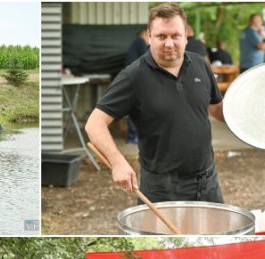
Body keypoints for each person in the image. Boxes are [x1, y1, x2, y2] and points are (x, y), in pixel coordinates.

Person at [86, 3, 226, 204]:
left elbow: (217, 110)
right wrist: (117, 162)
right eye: (162, 36)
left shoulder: (200, 65)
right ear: (149, 37)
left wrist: (250, 111)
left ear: (186, 36)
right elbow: (94, 123)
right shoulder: (133, 76)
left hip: (207, 181)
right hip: (161, 188)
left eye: (175, 35)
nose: (169, 43)